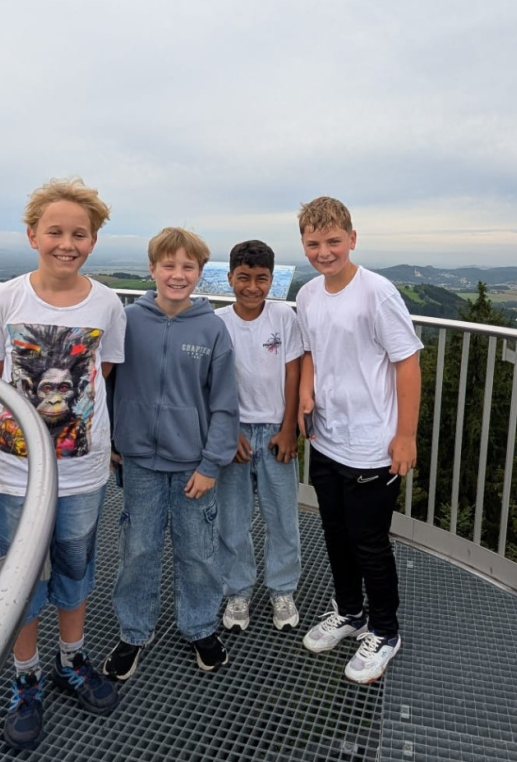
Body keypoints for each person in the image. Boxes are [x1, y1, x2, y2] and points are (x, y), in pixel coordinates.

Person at [0, 178, 124, 752]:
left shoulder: (107, 303)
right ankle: (25, 676)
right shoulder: (2, 301)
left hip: (82, 470)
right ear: (32, 235)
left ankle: (70, 660)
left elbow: (101, 372)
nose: (67, 244)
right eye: (55, 231)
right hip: (15, 471)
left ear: (93, 240)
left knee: (75, 566)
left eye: (79, 234)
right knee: (21, 577)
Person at [295, 196, 423, 684]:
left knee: (369, 543)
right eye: (313, 243)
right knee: (334, 533)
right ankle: (350, 611)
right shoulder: (309, 294)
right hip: (327, 437)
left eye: (333, 241)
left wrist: (405, 436)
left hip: (372, 443)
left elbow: (407, 363)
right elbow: (311, 349)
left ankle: (385, 630)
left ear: (352, 238)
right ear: (304, 244)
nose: (324, 252)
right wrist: (306, 392)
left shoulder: (377, 292)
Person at [104, 227, 239, 680]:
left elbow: (225, 403)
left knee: (198, 551)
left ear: (200, 272)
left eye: (188, 266)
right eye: (168, 265)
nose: (177, 274)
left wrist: (211, 464)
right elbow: (106, 385)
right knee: (137, 549)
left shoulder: (213, 328)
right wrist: (113, 442)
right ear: (152, 268)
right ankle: (133, 631)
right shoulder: (127, 320)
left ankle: (200, 626)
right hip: (139, 460)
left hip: (193, 465)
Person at [214, 240, 304, 634]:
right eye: (244, 277)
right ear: (229, 278)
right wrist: (227, 431)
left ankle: (282, 589)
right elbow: (213, 381)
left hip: (275, 432)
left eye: (261, 278)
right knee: (232, 520)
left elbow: (293, 372)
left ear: (272, 280)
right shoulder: (217, 322)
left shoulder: (284, 317)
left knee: (282, 517)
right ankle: (238, 591)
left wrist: (288, 428)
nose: (252, 287)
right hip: (234, 432)